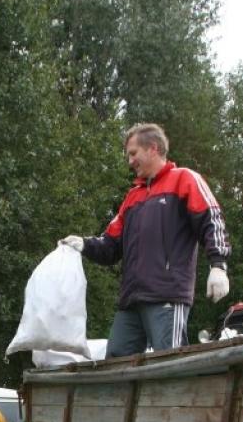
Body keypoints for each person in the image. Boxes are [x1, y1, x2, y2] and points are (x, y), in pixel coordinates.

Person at [61, 122, 230, 358]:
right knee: (116, 359)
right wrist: (84, 244)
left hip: (167, 294)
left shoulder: (184, 179)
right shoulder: (132, 197)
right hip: (131, 300)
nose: (130, 161)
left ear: (153, 148)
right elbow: (111, 245)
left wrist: (218, 265)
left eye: (133, 153)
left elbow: (212, 220)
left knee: (169, 360)